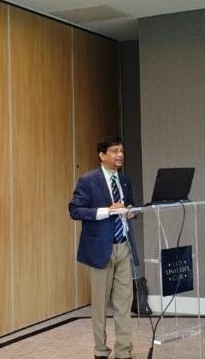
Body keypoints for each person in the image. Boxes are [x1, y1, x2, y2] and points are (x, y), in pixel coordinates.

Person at [69, 135, 138, 359]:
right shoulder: (88, 180)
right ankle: (100, 351)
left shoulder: (125, 180)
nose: (120, 155)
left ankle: (124, 352)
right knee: (99, 304)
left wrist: (130, 212)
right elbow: (75, 210)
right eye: (115, 151)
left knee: (124, 302)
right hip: (99, 249)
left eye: (122, 150)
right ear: (102, 155)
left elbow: (128, 207)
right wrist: (106, 211)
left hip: (123, 246)